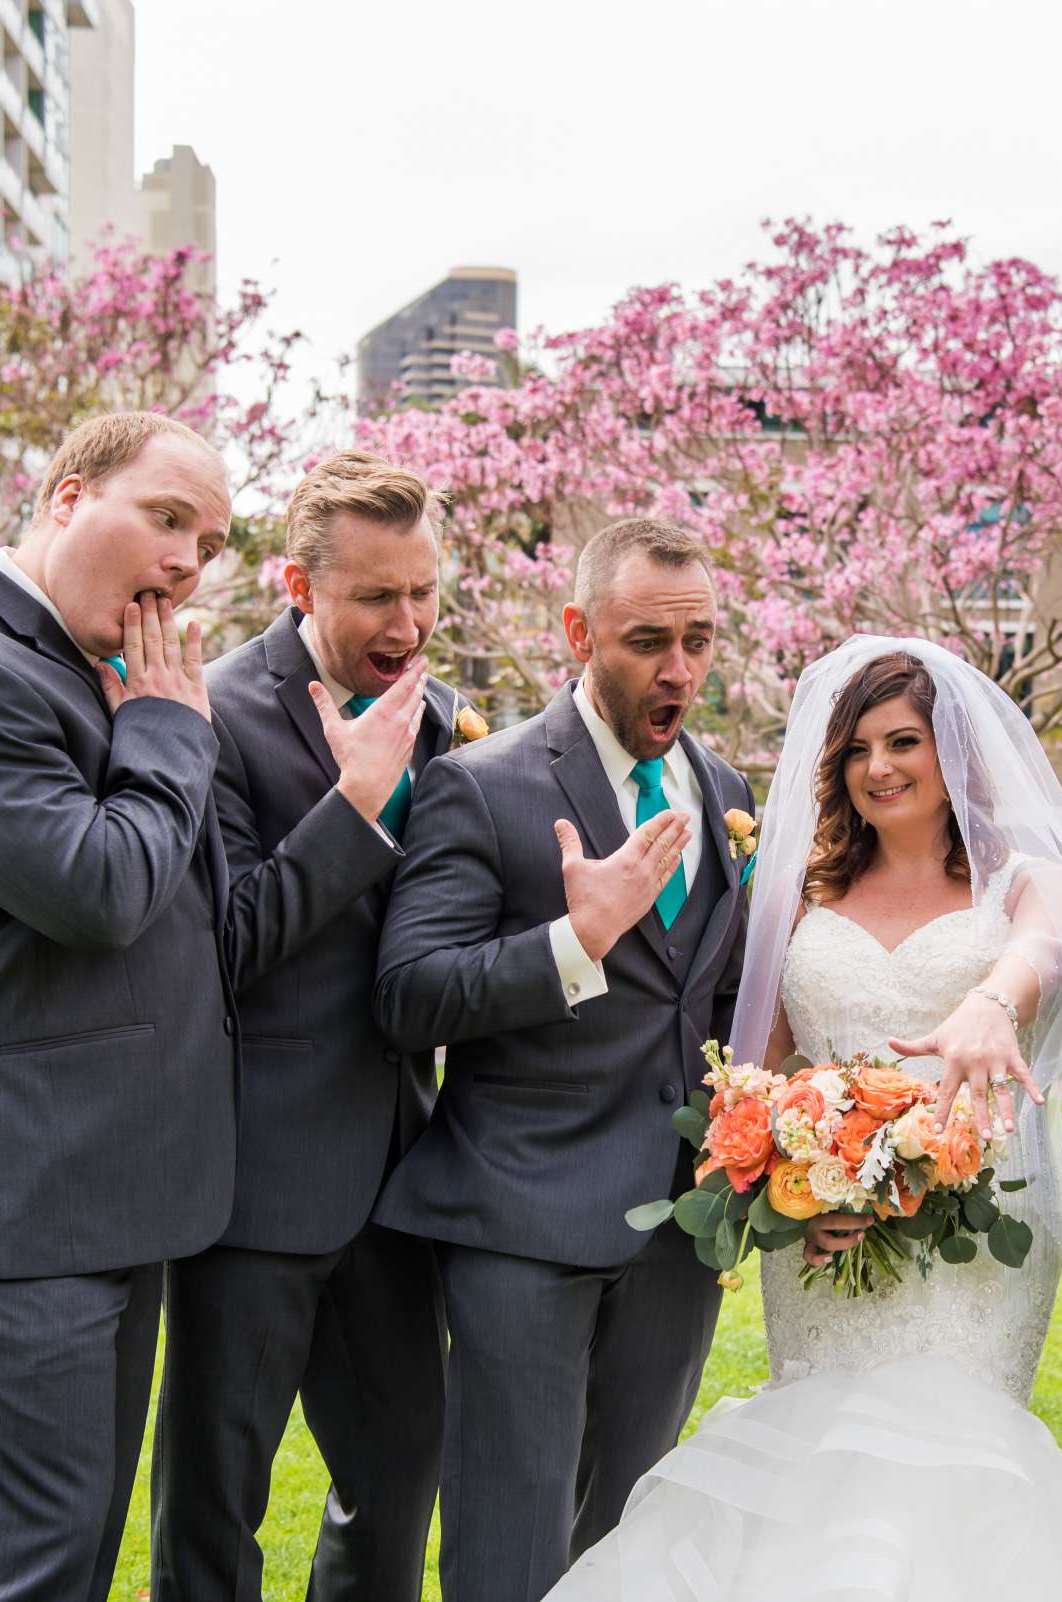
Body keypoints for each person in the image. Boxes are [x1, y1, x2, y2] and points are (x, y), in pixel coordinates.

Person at [547, 638, 1062, 1602]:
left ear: (953, 753)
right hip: (823, 1244)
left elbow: (1051, 945)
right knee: (821, 1458)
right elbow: (747, 1087)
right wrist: (791, 1198)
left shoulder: (1025, 882)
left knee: (950, 1468)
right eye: (856, 751)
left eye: (904, 742)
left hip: (974, 1246)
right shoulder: (802, 895)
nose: (878, 768)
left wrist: (992, 1002)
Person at [0, 411, 238, 1601]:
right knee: (31, 1574)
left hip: (106, 1201)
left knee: (64, 1562)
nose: (187, 562)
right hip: (18, 1206)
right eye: (166, 519)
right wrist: (171, 730)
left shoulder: (85, 670)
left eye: (210, 542)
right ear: (68, 499)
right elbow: (104, 889)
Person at [369, 518, 755, 1602]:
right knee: (510, 1539)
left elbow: (712, 998)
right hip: (520, 1225)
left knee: (628, 1534)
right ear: (580, 631)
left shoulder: (723, 787)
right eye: (645, 640)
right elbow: (407, 997)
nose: (677, 668)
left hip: (680, 1237)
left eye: (699, 639)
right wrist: (572, 943)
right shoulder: (482, 785)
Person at [151, 452, 463, 1600]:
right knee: (214, 1496)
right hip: (254, 1179)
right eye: (379, 596)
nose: (410, 621)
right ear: (298, 584)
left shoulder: (438, 713)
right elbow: (224, 944)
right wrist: (356, 806)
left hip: (399, 1175)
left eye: (425, 591)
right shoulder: (213, 714)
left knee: (399, 1468)